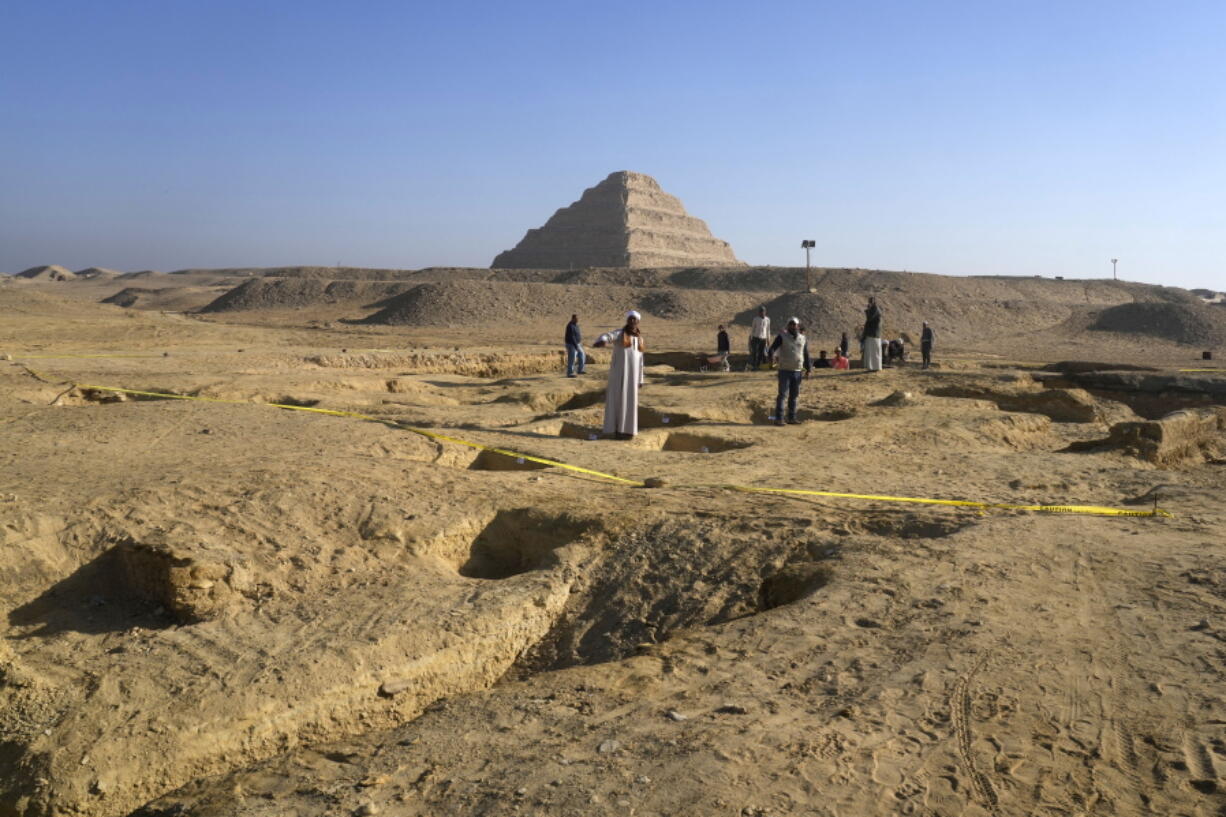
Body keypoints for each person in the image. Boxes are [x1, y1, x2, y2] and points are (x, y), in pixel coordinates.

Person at [593, 310, 645, 438]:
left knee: (630, 403)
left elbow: (641, 361)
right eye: (630, 319)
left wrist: (640, 379)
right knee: (615, 401)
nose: (632, 321)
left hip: (633, 378)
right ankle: (613, 430)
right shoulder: (620, 334)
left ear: (638, 322)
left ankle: (627, 431)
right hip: (618, 375)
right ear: (627, 321)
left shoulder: (640, 339)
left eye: (635, 319)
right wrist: (603, 341)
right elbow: (608, 336)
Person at [767, 317, 811, 425]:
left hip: (797, 371)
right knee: (782, 395)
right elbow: (772, 348)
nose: (793, 326)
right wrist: (771, 357)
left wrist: (808, 369)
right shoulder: (782, 337)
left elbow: (805, 354)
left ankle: (791, 417)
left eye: (794, 324)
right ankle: (779, 418)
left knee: (794, 395)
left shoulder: (803, 338)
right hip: (784, 370)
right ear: (788, 326)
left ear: (798, 326)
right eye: (790, 324)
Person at [861, 297, 883, 372]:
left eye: (871, 301)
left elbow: (869, 318)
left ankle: (875, 368)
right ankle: (871, 367)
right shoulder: (873, 309)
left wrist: (867, 310)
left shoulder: (875, 309)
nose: (869, 303)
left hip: (873, 334)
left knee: (874, 352)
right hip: (871, 334)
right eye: (869, 301)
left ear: (874, 302)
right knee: (871, 352)